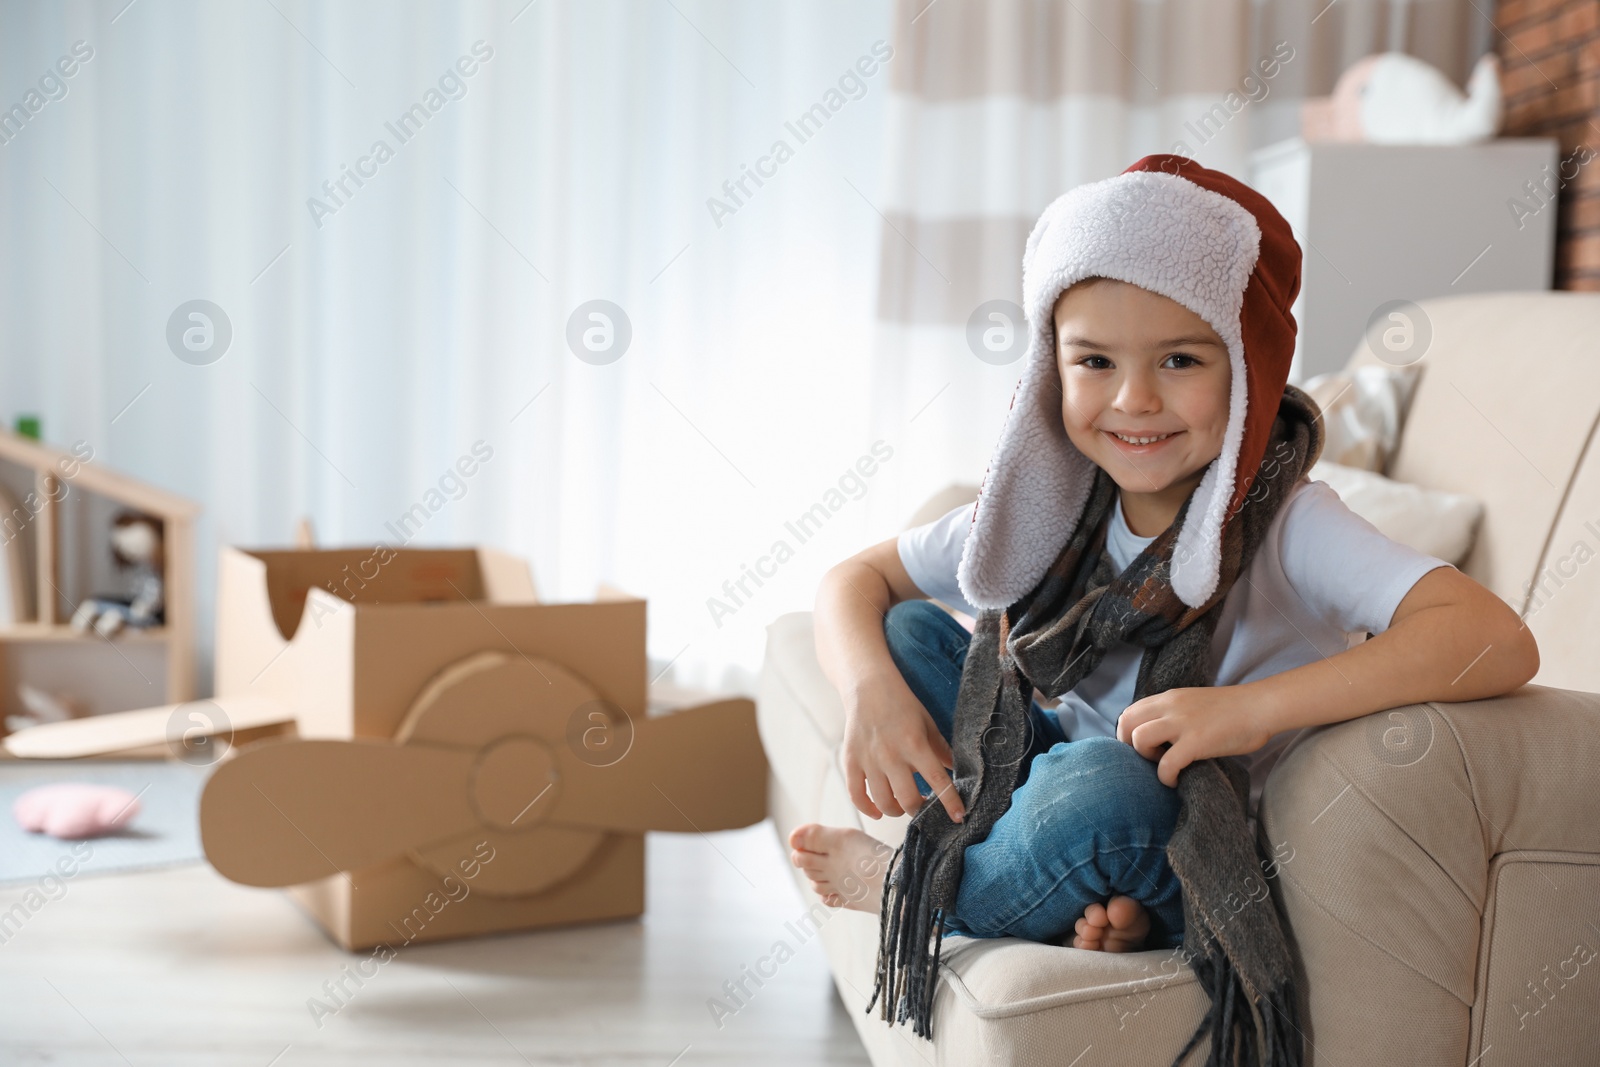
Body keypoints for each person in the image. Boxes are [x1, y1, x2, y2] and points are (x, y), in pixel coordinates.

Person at [787, 155, 1539, 958]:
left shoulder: (1288, 521)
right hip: (1044, 767)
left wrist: (1249, 708)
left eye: (1180, 360)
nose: (1134, 400)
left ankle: (916, 888)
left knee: (1109, 785)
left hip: (1180, 817)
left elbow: (1495, 637)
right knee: (906, 635)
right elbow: (852, 580)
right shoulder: (1049, 502)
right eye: (1095, 361)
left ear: (1244, 374)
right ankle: (1068, 881)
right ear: (1051, 370)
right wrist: (870, 690)